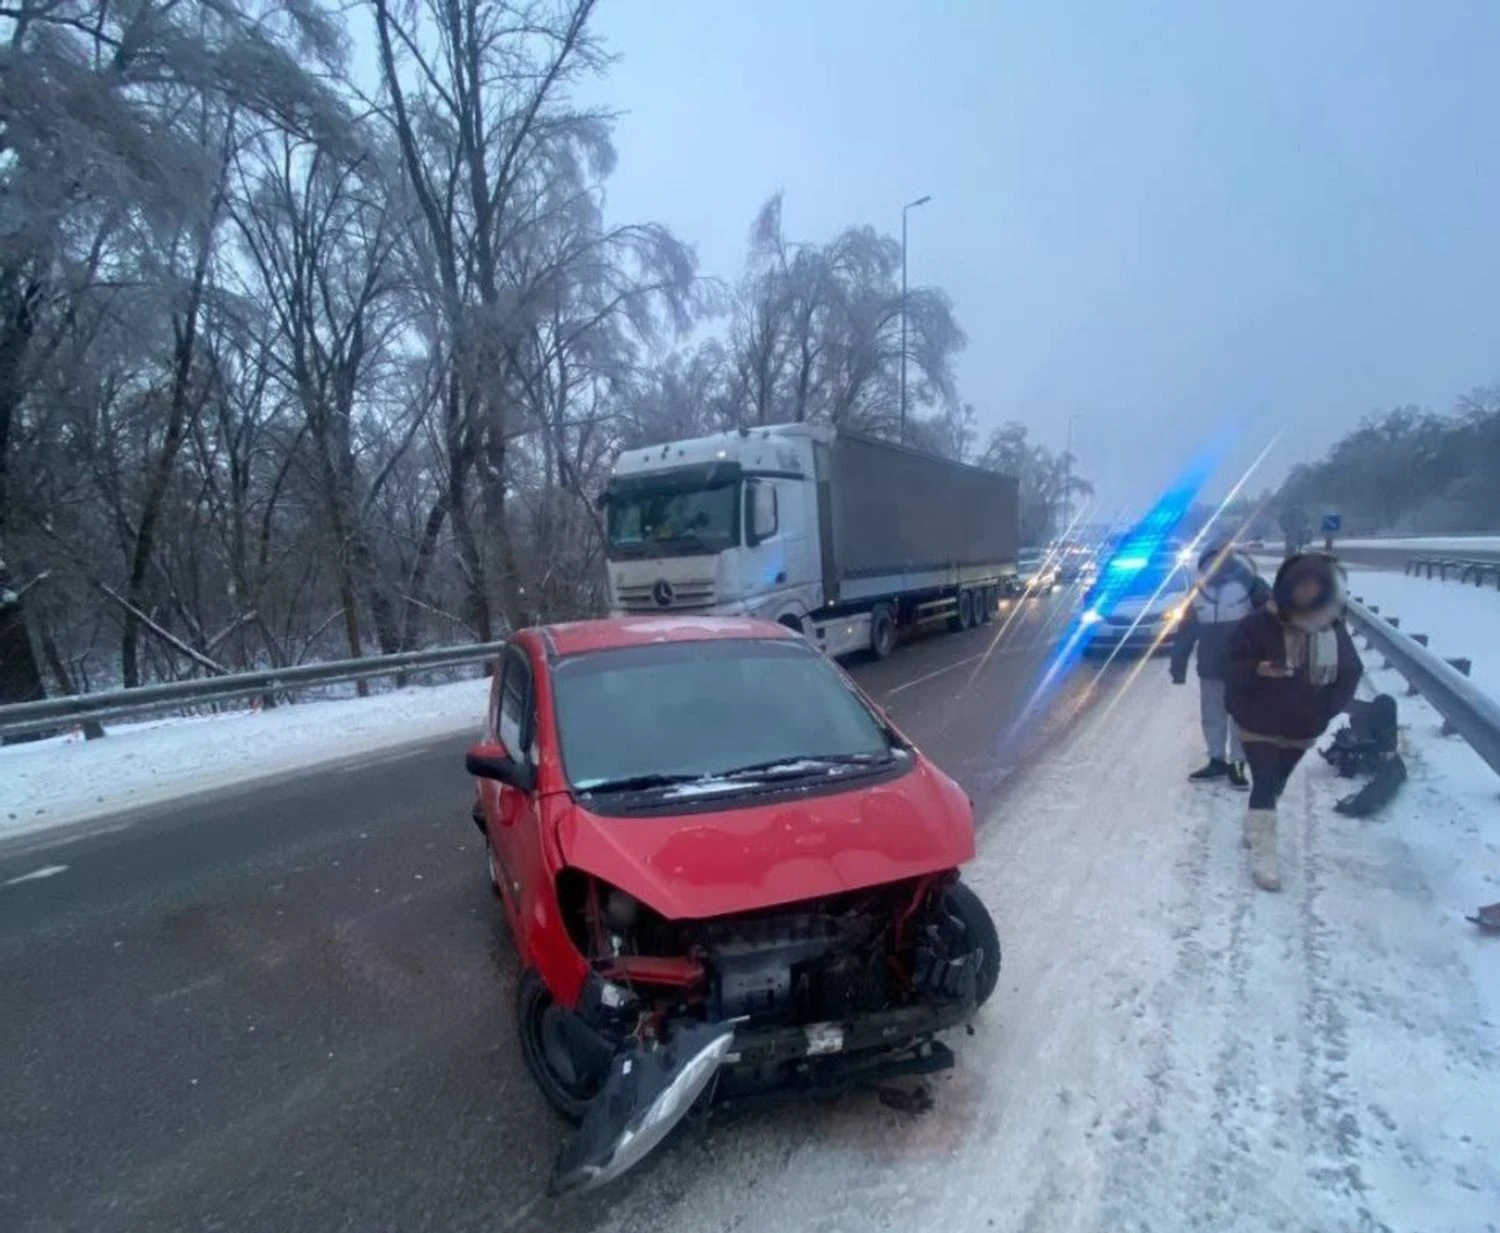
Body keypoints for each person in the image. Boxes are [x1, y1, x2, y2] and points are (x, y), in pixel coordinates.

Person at [1225, 553, 1363, 891]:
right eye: (1300, 586)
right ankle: (1264, 858)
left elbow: (1350, 672)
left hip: (1302, 724)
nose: (1306, 593)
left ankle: (1254, 825)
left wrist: (1324, 710)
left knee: (1277, 783)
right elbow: (1229, 666)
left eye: (1314, 586)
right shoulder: (1256, 624)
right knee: (1264, 779)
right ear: (1286, 587)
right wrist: (1257, 670)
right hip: (1257, 719)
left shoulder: (1331, 627)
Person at [1170, 543, 1270, 789]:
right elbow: (1186, 629)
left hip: (1244, 667)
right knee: (1213, 716)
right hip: (1211, 666)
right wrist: (1178, 663)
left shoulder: (1252, 586)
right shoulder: (1199, 592)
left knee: (1240, 717)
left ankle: (1237, 764)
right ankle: (1217, 760)